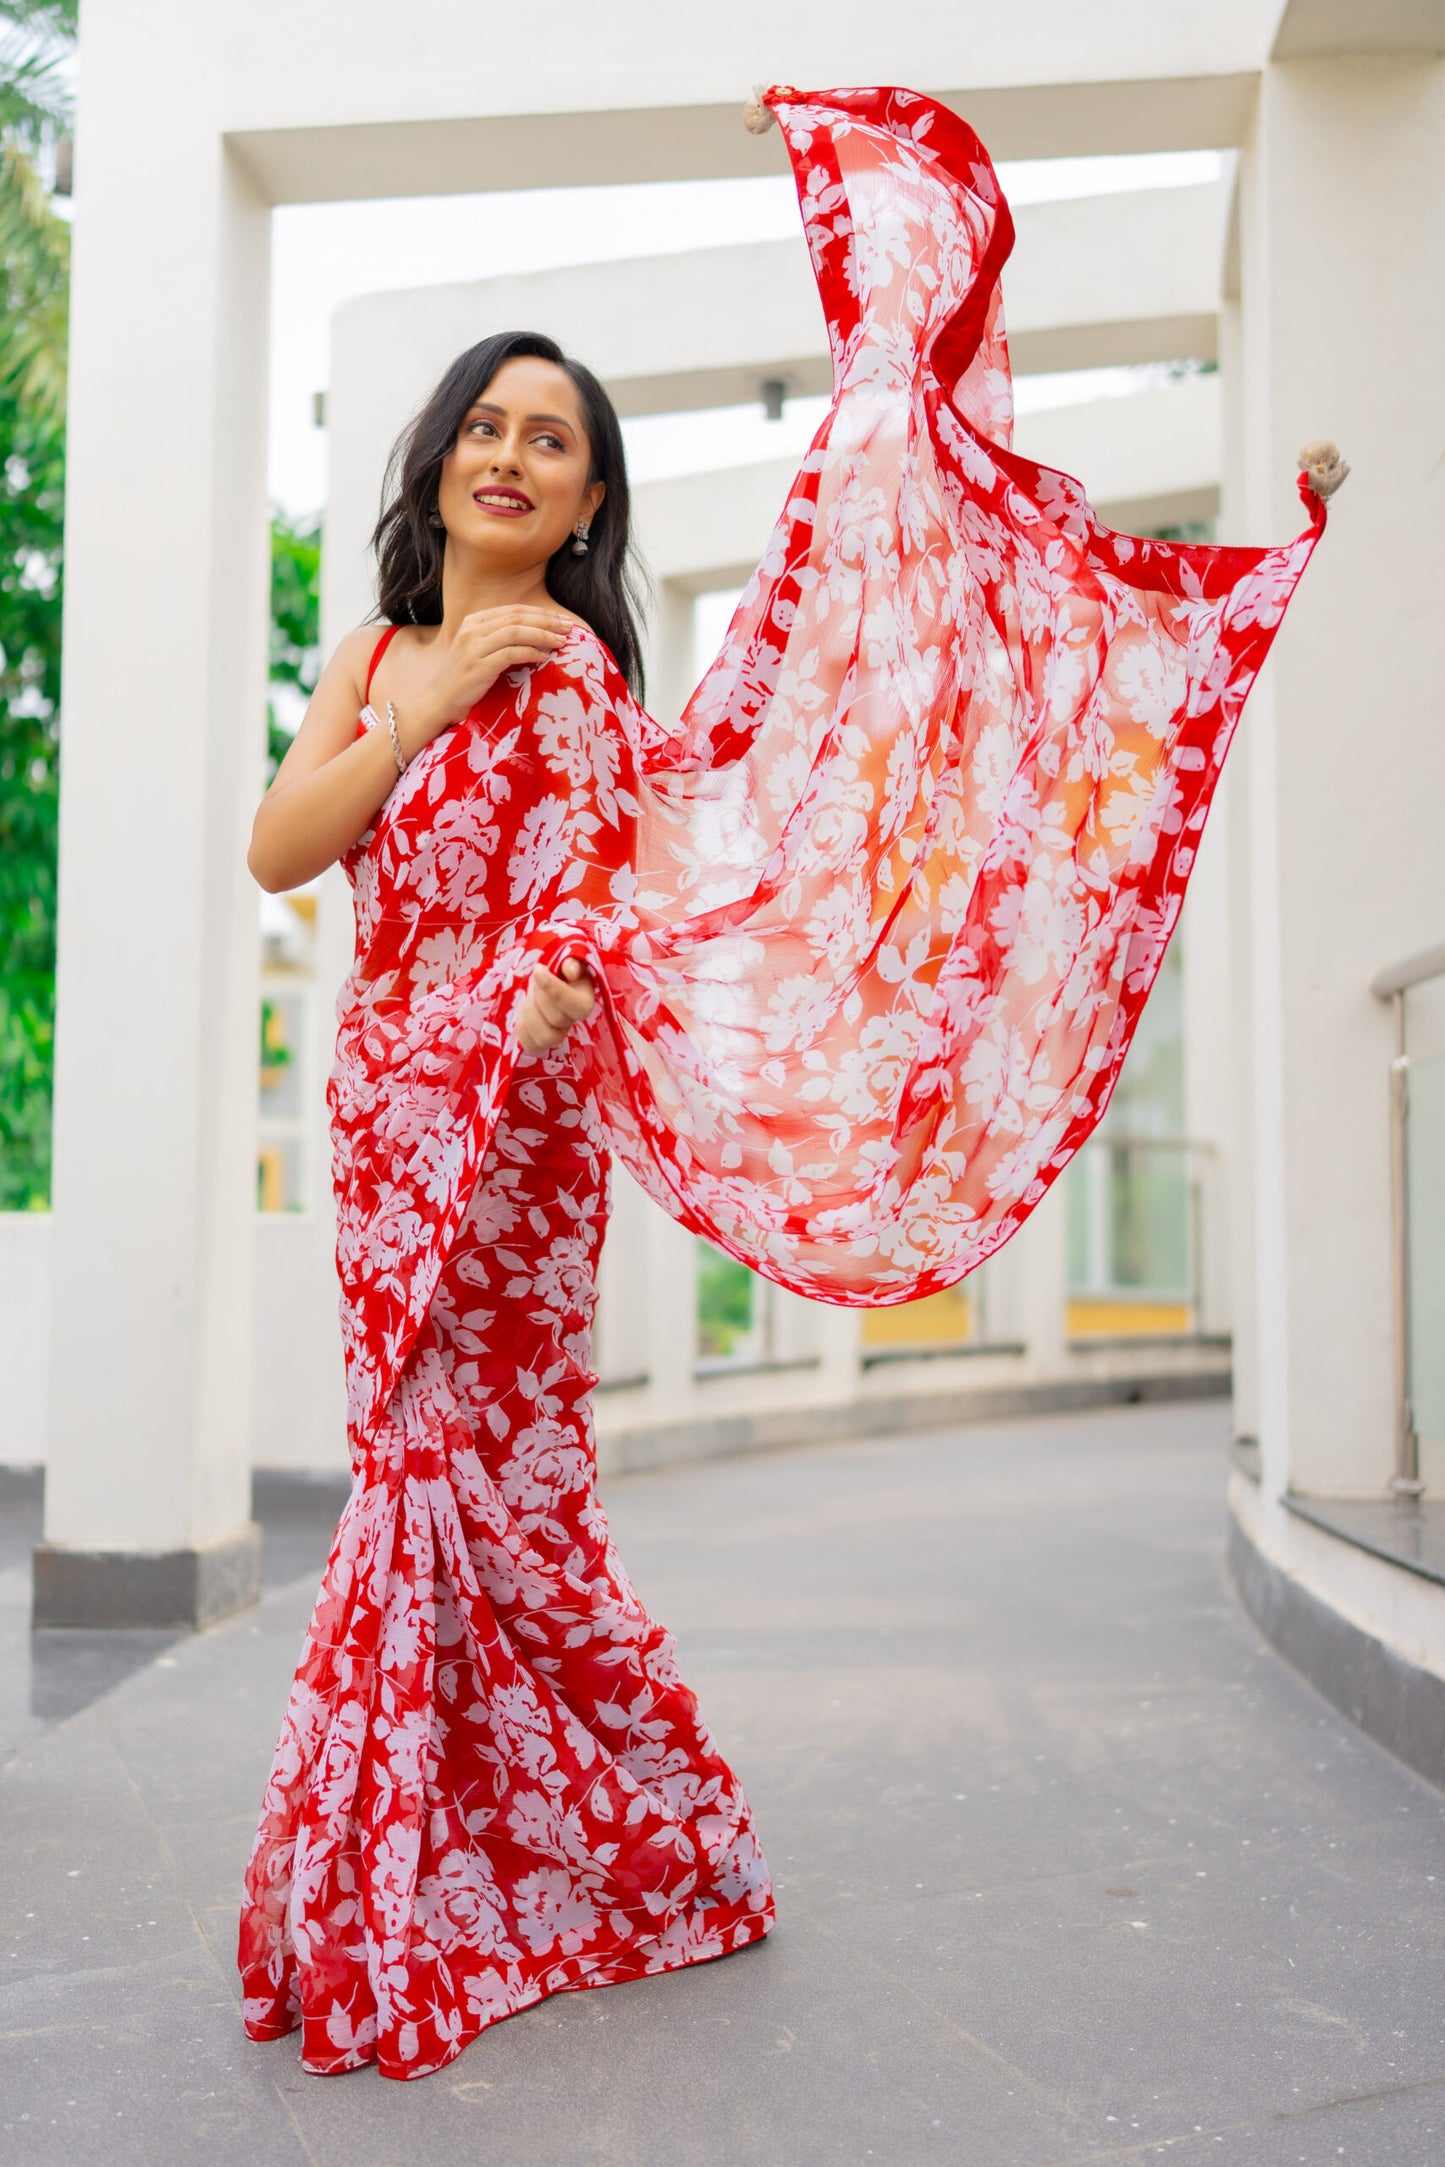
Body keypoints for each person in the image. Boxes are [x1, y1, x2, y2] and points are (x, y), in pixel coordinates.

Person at [238, 82, 1332, 2081]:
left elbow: (598, 899)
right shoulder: (383, 651)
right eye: (485, 425)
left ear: (586, 504)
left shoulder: (584, 683)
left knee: (515, 1502)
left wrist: (542, 975)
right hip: (396, 1124)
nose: (508, 454)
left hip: (519, 1124)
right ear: (441, 461)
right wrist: (426, 704)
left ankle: (652, 1854)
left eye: (547, 440)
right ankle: (412, 1871)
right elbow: (282, 848)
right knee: (415, 1488)